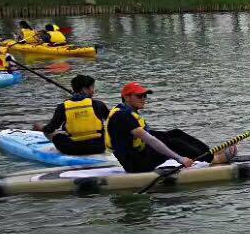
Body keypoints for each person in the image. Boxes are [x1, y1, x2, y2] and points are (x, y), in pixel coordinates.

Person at [105, 82, 238, 173]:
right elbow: (151, 140)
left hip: (138, 155)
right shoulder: (122, 117)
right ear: (127, 98)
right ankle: (214, 160)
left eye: (145, 95)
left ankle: (209, 153)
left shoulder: (126, 112)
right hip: (135, 165)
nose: (144, 98)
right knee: (170, 142)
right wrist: (180, 159)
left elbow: (150, 136)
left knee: (174, 133)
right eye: (139, 96)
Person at [41, 74, 111, 155]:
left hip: (72, 149)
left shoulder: (62, 107)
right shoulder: (98, 104)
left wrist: (41, 127)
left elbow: (49, 129)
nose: (93, 91)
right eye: (92, 88)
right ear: (84, 89)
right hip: (99, 147)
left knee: (54, 134)